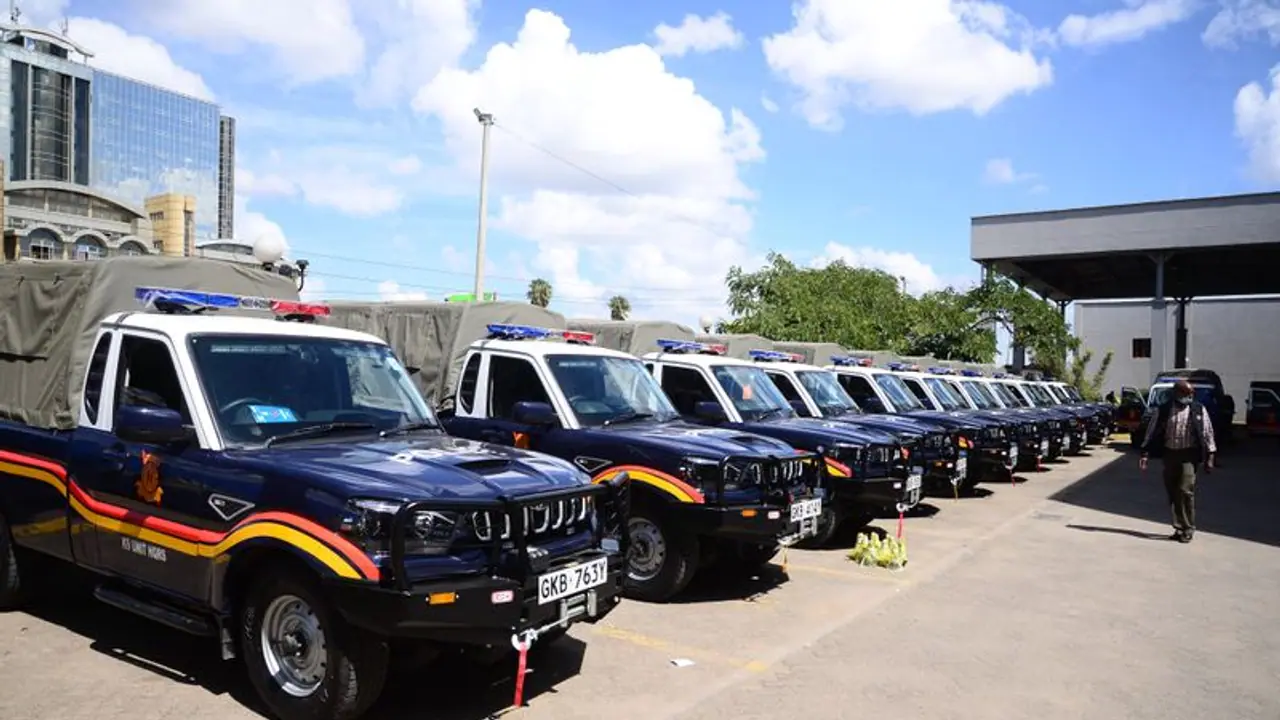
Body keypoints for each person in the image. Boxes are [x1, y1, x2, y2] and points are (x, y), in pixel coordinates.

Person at [1139, 379, 1216, 543]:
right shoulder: (1164, 410)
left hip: (1189, 455)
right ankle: (1179, 527)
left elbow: (1207, 432)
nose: (1190, 396)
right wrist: (1145, 453)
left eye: (1191, 393)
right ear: (1176, 393)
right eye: (1187, 393)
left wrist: (1210, 456)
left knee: (1185, 490)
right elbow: (1151, 431)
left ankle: (1188, 528)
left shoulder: (1198, 409)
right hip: (1170, 455)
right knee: (1173, 492)